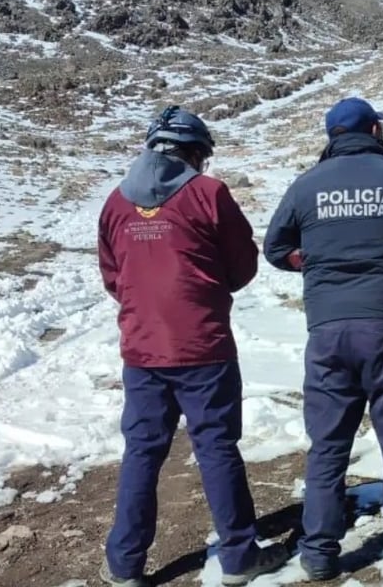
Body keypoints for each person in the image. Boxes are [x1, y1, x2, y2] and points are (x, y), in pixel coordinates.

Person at [97, 106, 289, 587]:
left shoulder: (116, 203)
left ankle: (124, 564)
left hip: (142, 350)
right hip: (203, 343)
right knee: (217, 447)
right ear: (195, 153)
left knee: (142, 452)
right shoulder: (208, 193)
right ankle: (239, 556)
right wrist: (204, 288)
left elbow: (112, 274)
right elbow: (242, 263)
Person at [263, 97, 383, 582]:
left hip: (327, 332)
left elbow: (276, 248)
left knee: (328, 446)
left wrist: (315, 267)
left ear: (332, 136)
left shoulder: (306, 186)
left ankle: (320, 553)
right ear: (373, 129)